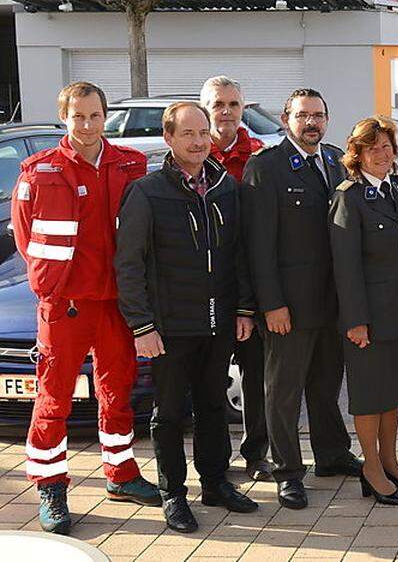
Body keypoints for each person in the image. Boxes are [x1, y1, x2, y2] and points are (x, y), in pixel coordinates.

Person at [13, 82, 160, 535]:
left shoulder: (129, 164)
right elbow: (25, 240)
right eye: (78, 116)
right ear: (64, 117)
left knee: (118, 388)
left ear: (105, 116)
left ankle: (120, 473)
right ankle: (50, 484)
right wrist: (53, 287)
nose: (87, 125)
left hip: (117, 303)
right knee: (54, 396)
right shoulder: (39, 172)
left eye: (95, 116)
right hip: (66, 306)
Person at [114, 102, 259, 531]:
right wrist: (142, 326)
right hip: (170, 327)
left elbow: (240, 254)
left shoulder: (225, 188)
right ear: (169, 139)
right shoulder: (147, 192)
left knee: (214, 406)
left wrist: (244, 308)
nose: (198, 142)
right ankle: (173, 493)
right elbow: (129, 264)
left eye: (203, 133)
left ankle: (215, 482)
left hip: (218, 322)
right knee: (170, 413)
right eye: (187, 134)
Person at [242, 88, 361, 509]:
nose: (312, 122)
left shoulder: (334, 160)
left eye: (319, 115)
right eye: (303, 115)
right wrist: (271, 304)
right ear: (286, 118)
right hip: (288, 308)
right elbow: (258, 246)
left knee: (326, 386)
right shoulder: (266, 167)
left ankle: (331, 454)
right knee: (284, 392)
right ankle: (288, 472)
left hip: (331, 303)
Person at [330, 117, 398, 506]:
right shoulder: (348, 197)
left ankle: (389, 460)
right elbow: (345, 265)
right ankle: (370, 468)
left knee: (395, 392)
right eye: (372, 148)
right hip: (367, 318)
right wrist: (355, 321)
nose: (382, 154)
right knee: (370, 395)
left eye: (386, 146)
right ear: (357, 154)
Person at [200, 75, 270, 482]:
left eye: (232, 104)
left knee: (256, 377)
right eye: (217, 104)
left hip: (252, 288)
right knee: (209, 379)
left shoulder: (260, 157)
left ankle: (257, 453)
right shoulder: (190, 155)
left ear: (243, 108)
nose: (225, 112)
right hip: (206, 288)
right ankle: (214, 459)